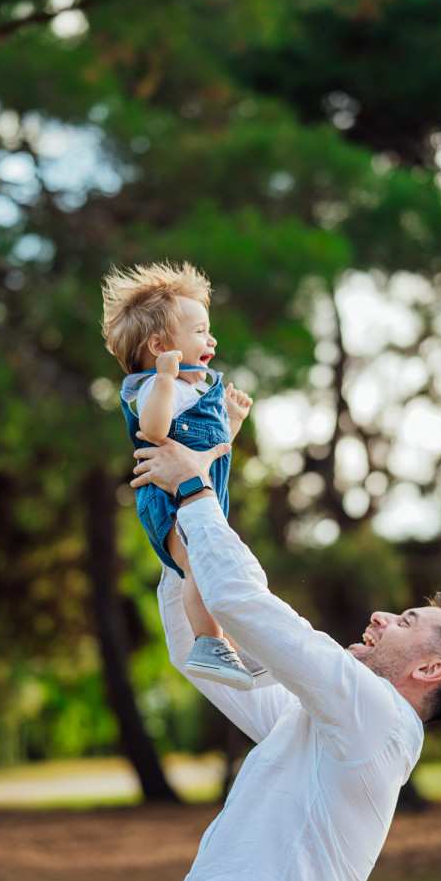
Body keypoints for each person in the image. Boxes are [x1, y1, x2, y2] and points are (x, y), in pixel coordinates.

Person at [130, 436, 441, 881]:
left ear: (430, 669)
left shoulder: (379, 717)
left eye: (406, 621)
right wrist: (172, 534)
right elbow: (202, 656)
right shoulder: (317, 724)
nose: (382, 617)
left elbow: (244, 604)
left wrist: (195, 489)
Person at [102, 260, 264, 690]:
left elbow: (210, 452)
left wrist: (231, 420)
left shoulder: (198, 389)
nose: (210, 339)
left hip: (204, 494)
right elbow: (153, 430)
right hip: (170, 503)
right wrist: (166, 377)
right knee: (199, 567)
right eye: (198, 332)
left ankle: (229, 641)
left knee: (213, 566)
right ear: (159, 345)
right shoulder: (156, 387)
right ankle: (209, 643)